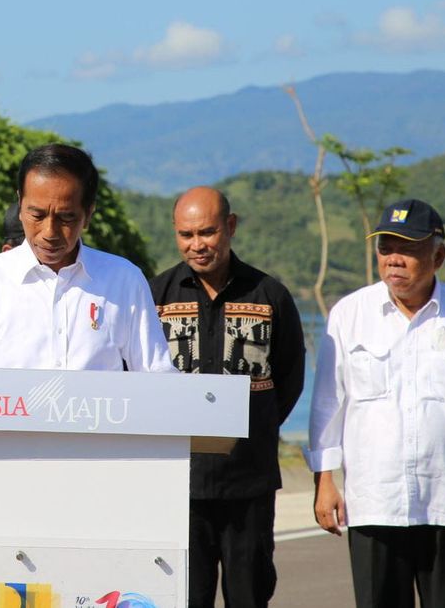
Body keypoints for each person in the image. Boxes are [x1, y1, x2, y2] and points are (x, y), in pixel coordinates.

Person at [307, 198, 445, 608]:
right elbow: (327, 406)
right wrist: (324, 479)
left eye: (407, 248)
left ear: (438, 255)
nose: (394, 260)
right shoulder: (348, 315)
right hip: (374, 502)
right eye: (386, 248)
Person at [149, 186, 305, 608]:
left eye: (207, 232)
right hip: (179, 487)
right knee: (184, 598)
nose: (196, 245)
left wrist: (253, 426)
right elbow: (139, 382)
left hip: (248, 486)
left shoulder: (270, 295)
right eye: (185, 235)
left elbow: (289, 379)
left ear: (230, 227)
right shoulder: (156, 297)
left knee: (249, 597)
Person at [0, 142, 173, 372]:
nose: (49, 233)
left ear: (88, 214)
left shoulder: (124, 280)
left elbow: (155, 374)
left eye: (66, 218)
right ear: (20, 204)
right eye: (36, 215)